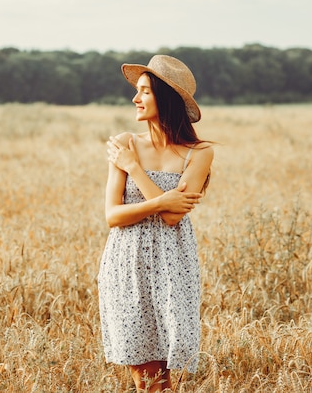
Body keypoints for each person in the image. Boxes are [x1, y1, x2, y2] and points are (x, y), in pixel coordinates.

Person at [98, 55, 214, 392]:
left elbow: (172, 217)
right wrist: (163, 198)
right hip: (127, 263)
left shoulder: (199, 152)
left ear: (165, 99)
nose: (135, 99)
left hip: (173, 266)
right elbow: (113, 216)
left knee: (167, 379)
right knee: (147, 380)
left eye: (144, 92)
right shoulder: (125, 144)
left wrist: (136, 172)